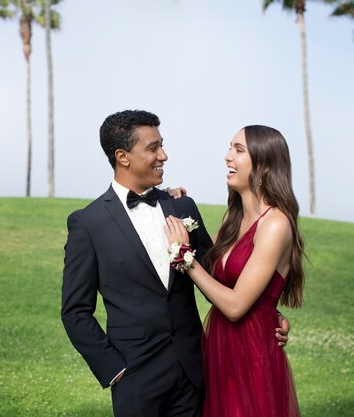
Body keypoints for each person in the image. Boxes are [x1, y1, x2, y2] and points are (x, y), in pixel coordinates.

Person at [61, 110, 289, 417]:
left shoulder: (182, 205)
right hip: (135, 378)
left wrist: (269, 313)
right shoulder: (88, 224)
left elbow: (222, 277)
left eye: (162, 145)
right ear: (123, 156)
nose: (164, 155)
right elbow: (75, 312)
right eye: (153, 148)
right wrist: (114, 370)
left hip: (196, 372)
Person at [164, 125, 304, 417]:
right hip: (220, 345)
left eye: (239, 150)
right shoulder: (234, 217)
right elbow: (210, 270)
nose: (228, 157)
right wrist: (177, 206)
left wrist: (182, 256)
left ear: (264, 165)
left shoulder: (275, 224)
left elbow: (236, 306)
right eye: (230, 147)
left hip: (250, 352)